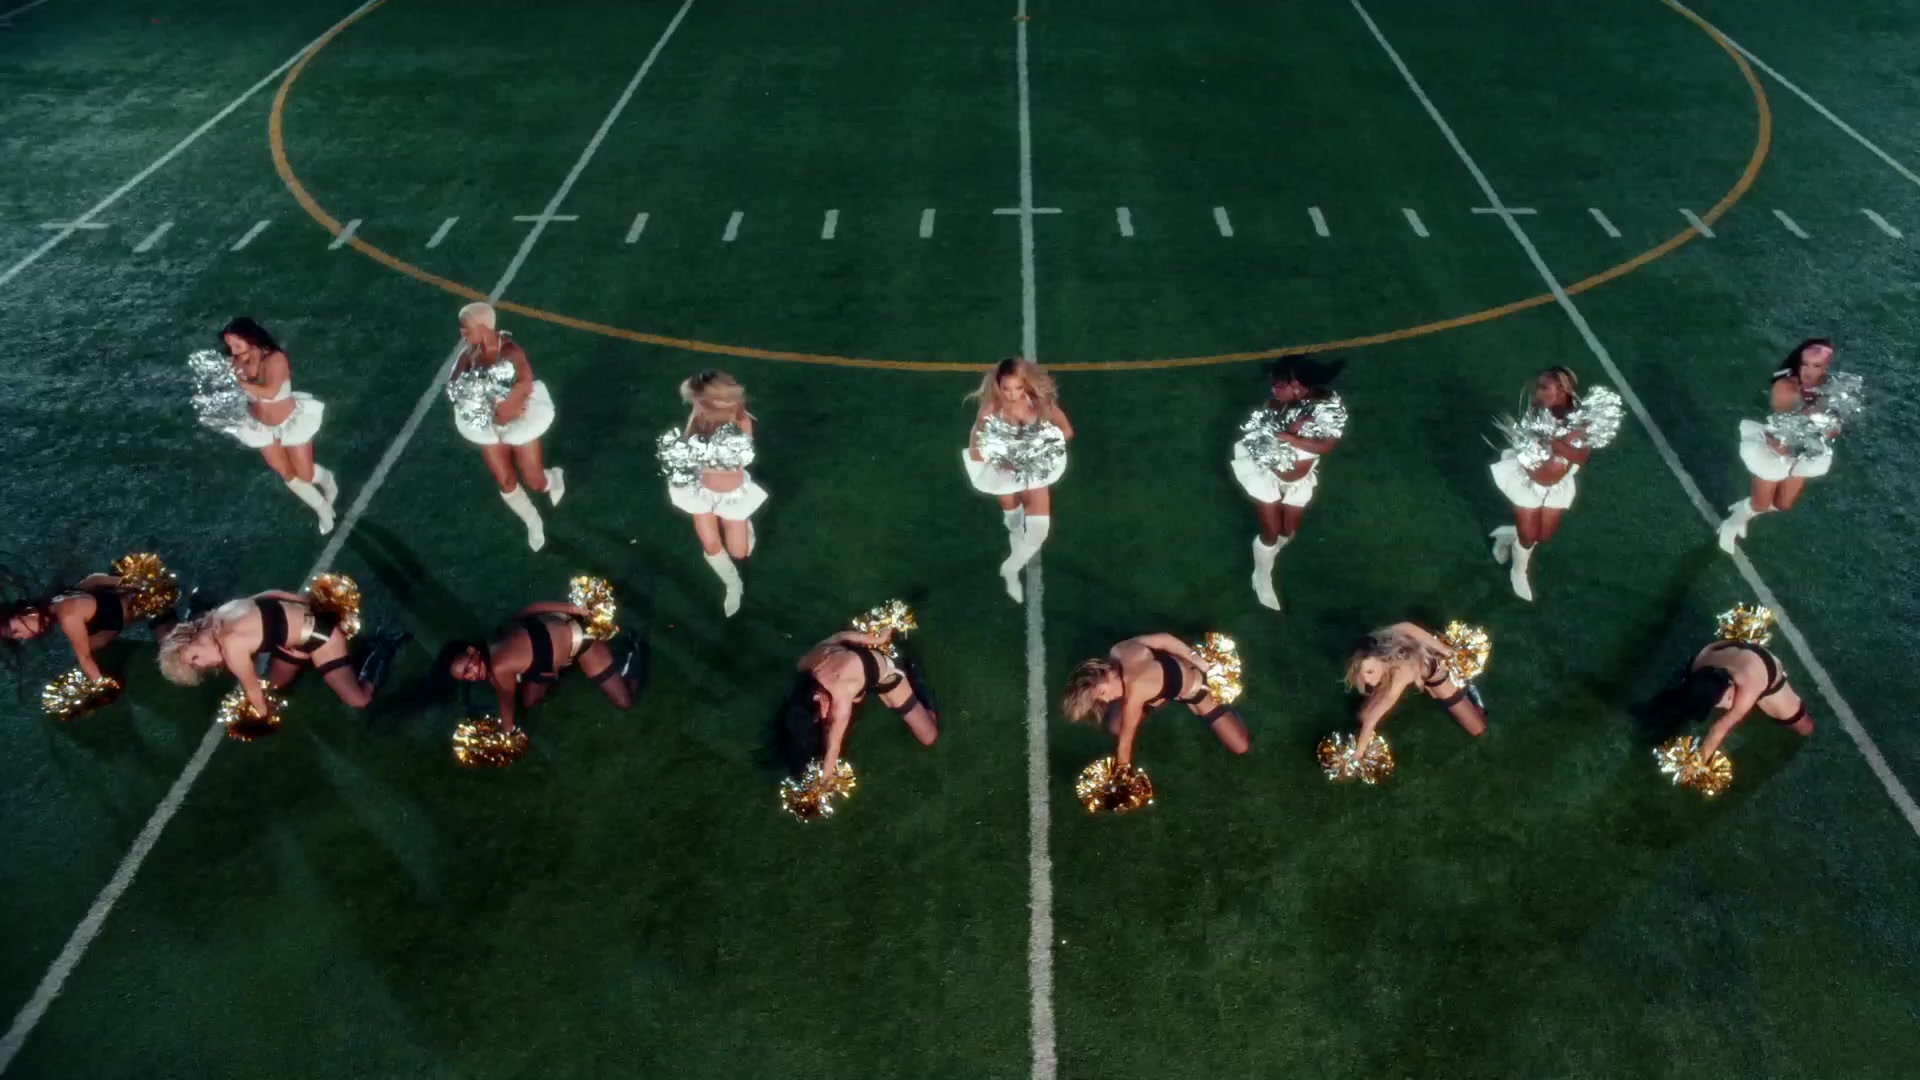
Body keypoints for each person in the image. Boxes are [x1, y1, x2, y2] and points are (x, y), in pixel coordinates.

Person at [157, 590, 405, 716]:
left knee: (359, 700)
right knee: (275, 685)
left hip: (321, 639)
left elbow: (253, 690)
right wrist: (305, 603)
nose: (203, 665)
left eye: (195, 659)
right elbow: (270, 594)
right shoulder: (222, 612)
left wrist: (261, 718)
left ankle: (382, 649)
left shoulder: (232, 647)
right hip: (292, 641)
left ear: (193, 641)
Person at [1230, 355, 1348, 610]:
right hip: (1267, 476)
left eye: (1278, 385)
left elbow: (1326, 445)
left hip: (1299, 481)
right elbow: (1264, 445)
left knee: (1288, 532)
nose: (1273, 389)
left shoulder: (1325, 407)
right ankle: (1262, 577)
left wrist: (1292, 437)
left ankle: (1270, 552)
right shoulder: (1273, 406)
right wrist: (1288, 432)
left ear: (1296, 386)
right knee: (1271, 532)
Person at [449, 302, 564, 551]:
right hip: (489, 427)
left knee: (534, 481)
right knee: (505, 480)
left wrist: (500, 403)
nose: (462, 333)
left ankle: (554, 479)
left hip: (519, 423)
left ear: (483, 327)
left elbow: (524, 385)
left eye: (466, 328)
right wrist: (472, 399)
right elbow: (454, 387)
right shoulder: (469, 355)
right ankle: (532, 520)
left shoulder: (511, 352)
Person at [1717, 339, 1850, 553]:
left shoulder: (1831, 387)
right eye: (1805, 364)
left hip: (1805, 450)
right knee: (1761, 504)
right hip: (1775, 448)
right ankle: (1731, 524)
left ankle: (1746, 507)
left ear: (1826, 367)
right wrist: (1817, 415)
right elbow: (1779, 432)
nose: (1808, 371)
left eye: (1816, 366)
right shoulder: (1786, 388)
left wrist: (1829, 426)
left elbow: (1833, 429)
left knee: (1783, 504)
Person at [963, 357, 1074, 603]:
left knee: (1039, 532)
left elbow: (1066, 430)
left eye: (1018, 388)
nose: (1012, 395)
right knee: (1014, 520)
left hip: (1035, 469)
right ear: (998, 386)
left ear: (1025, 385)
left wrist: (1041, 446)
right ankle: (1014, 535)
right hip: (1004, 472)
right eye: (1006, 389)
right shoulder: (989, 412)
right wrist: (1005, 457)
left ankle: (1010, 568)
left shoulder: (1038, 403)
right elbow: (976, 453)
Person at [443, 599, 644, 734]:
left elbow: (506, 702)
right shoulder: (498, 634)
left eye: (468, 668)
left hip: (583, 640)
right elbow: (532, 608)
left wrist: (506, 735)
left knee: (624, 702)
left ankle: (635, 650)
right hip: (562, 630)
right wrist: (573, 609)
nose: (471, 676)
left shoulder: (499, 667)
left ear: (473, 651)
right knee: (530, 702)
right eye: (466, 677)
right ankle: (554, 667)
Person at [217, 318, 339, 533]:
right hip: (258, 424)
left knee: (305, 475)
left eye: (236, 344)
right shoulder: (236, 362)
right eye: (229, 346)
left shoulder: (275, 358)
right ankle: (322, 509)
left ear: (250, 338)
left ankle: (328, 480)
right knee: (286, 473)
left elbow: (271, 392)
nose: (232, 350)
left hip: (290, 422)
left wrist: (239, 382)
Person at [661, 371, 766, 617]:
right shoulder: (698, 417)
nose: (695, 406)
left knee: (740, 551)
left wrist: (702, 455)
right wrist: (678, 455)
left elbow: (737, 462)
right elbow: (686, 452)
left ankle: (744, 520)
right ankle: (733, 583)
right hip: (700, 491)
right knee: (710, 544)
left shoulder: (741, 423)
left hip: (731, 496)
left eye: (699, 402)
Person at [776, 625, 938, 781]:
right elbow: (839, 637)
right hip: (858, 663)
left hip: (887, 672)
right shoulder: (805, 663)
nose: (824, 715)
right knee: (827, 722)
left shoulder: (841, 694)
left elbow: (834, 747)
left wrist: (823, 784)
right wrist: (871, 639)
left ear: (816, 697)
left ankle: (913, 672)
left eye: (821, 711)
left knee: (929, 737)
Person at [1059, 633, 1249, 766]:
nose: (1107, 700)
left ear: (1106, 674)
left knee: (1241, 746)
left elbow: (1126, 740)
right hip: (1162, 684)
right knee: (1115, 727)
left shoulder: (1135, 690)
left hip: (1196, 691)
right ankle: (1160, 695)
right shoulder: (1118, 650)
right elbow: (1165, 639)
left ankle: (1227, 711)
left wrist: (1122, 774)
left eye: (1102, 693)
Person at [1488, 367, 1594, 601]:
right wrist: (1539, 453)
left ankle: (1508, 536)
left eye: (1545, 387)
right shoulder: (1538, 410)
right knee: (1528, 538)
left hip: (1557, 486)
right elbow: (1529, 456)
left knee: (1542, 535)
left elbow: (1581, 456)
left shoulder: (1580, 420)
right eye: (1539, 386)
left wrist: (1556, 445)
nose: (1538, 392)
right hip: (1529, 482)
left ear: (1563, 389)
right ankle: (1518, 572)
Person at [1634, 634, 1813, 761]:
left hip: (1767, 675)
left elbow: (1718, 729)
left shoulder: (1748, 688)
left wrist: (1697, 765)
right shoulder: (1702, 661)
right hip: (1740, 657)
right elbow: (1724, 644)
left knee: (1805, 728)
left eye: (1728, 700)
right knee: (1686, 700)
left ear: (1730, 684)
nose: (1728, 707)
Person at [0, 561, 178, 683]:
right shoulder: (56, 601)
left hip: (151, 607)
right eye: (17, 637)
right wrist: (121, 582)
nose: (24, 637)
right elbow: (93, 580)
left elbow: (84, 658)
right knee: (91, 643)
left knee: (172, 658)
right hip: (134, 604)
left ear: (27, 612)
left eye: (17, 631)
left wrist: (99, 687)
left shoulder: (67, 617)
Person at [1343, 622, 1486, 757]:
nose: (1367, 680)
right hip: (1417, 666)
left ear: (1380, 657)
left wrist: (1358, 754)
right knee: (1363, 715)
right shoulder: (1375, 643)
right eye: (1363, 674)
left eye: (1370, 672)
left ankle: (1471, 693)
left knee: (1477, 729)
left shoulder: (1400, 674)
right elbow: (1407, 626)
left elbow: (1374, 717)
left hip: (1437, 674)